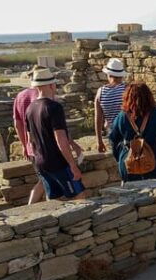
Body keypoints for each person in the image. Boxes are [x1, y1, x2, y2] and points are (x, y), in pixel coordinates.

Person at [25, 68, 87, 200]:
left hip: (40, 161)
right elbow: (60, 139)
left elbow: (30, 140)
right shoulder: (54, 107)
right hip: (58, 162)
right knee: (79, 195)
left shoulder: (30, 108)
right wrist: (72, 165)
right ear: (51, 85)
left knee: (54, 199)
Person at [108, 82, 156, 182]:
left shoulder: (122, 117)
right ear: (149, 96)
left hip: (131, 165)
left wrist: (120, 157)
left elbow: (113, 140)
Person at [12, 65, 45, 204]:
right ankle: (31, 206)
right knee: (45, 180)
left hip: (31, 147)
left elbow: (17, 123)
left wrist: (24, 145)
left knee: (44, 179)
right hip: (43, 145)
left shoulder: (20, 96)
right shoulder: (41, 95)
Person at [93, 58, 126, 152]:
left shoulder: (101, 92)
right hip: (127, 130)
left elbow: (98, 118)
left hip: (112, 131)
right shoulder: (127, 90)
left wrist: (99, 141)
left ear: (108, 75)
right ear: (121, 75)